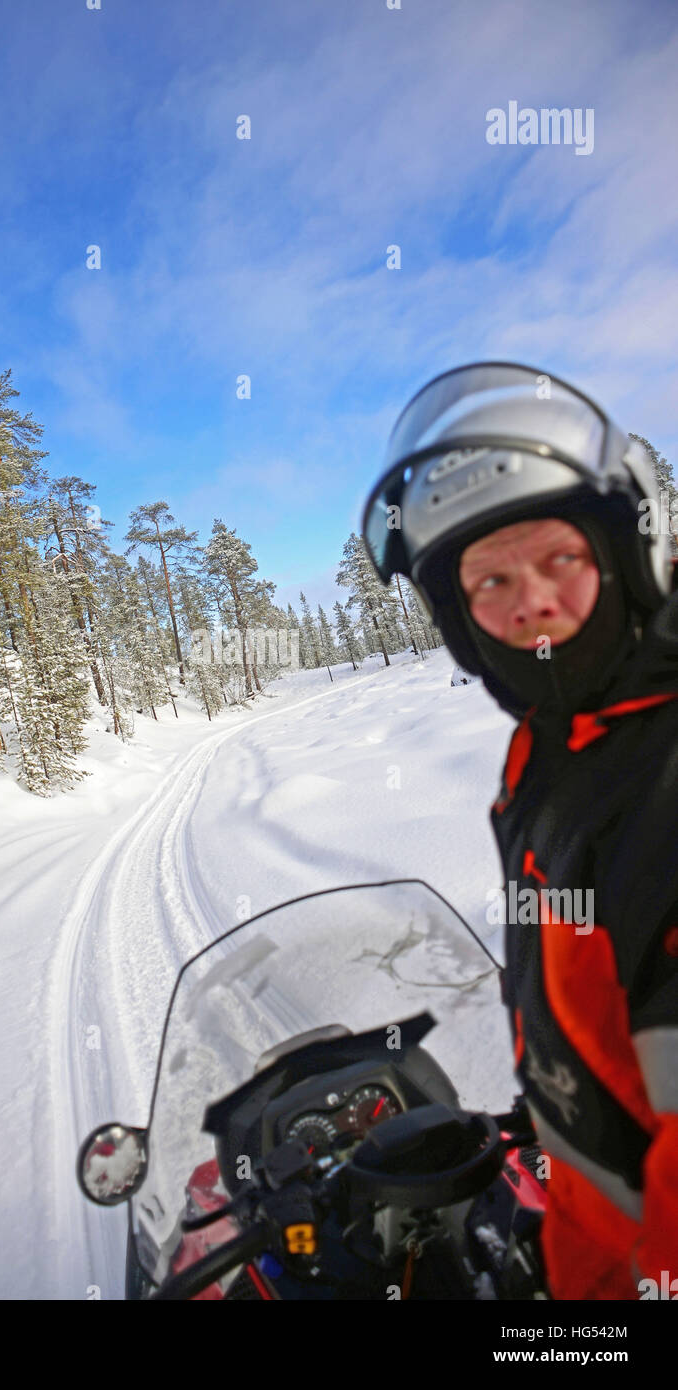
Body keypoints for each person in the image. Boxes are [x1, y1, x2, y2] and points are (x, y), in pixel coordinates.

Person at [361, 362, 678, 1300]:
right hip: (583, 1233)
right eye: (488, 578)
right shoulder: (551, 743)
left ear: (627, 553)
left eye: (559, 559)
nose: (527, 602)